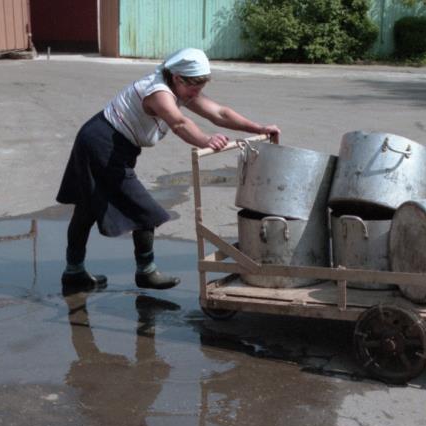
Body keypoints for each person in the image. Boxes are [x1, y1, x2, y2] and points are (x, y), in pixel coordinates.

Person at [56, 48, 281, 291]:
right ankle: (146, 271)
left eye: (201, 88)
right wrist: (205, 140)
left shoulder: (181, 88)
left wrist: (258, 128)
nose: (196, 94)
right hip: (101, 143)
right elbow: (179, 123)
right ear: (177, 78)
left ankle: (74, 272)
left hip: (111, 144)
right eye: (194, 87)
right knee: (142, 209)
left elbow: (220, 113)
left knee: (87, 209)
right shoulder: (158, 92)